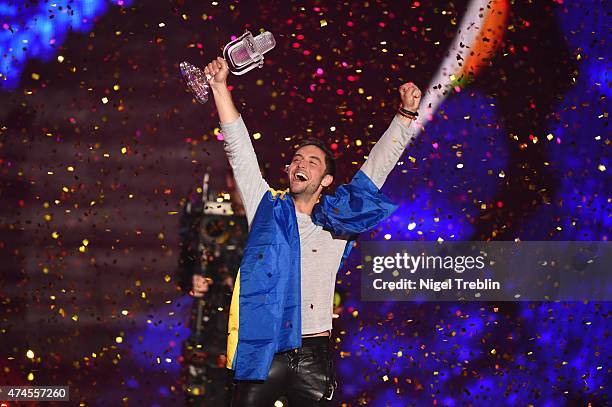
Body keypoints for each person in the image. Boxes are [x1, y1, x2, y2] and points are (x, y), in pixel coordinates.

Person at [203, 56, 422, 406]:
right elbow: (239, 151)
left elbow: (375, 170)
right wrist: (218, 87)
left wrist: (405, 117)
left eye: (312, 162)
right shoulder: (266, 208)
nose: (300, 164)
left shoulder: (338, 220)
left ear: (327, 180)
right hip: (265, 348)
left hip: (313, 356)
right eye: (296, 159)